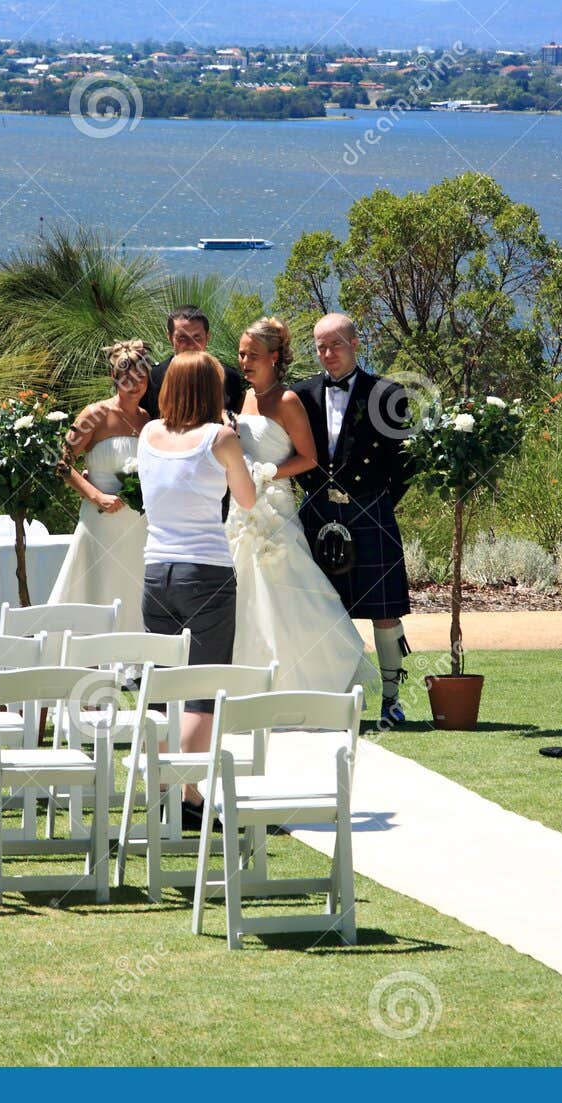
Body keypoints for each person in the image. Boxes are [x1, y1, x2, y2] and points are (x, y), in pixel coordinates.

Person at [136, 351, 257, 828]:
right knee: (203, 689)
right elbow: (245, 498)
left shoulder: (147, 434)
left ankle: (169, 790)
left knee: (164, 689)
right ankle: (188, 793)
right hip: (206, 571)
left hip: (155, 573)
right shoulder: (221, 437)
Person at [228, 317, 375, 692]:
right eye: (242, 354)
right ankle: (250, 682)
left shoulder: (287, 400)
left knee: (287, 590)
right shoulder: (242, 398)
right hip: (240, 509)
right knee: (244, 593)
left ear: (275, 357)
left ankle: (312, 676)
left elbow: (309, 459)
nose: (245, 362)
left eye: (254, 355)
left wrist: (266, 472)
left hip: (274, 506)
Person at [293, 312, 415, 726]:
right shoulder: (301, 395)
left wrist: (375, 502)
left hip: (369, 509)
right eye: (321, 346)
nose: (328, 354)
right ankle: (333, 697)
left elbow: (405, 463)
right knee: (320, 607)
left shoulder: (387, 393)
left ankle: (392, 700)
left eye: (336, 345)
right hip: (316, 510)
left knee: (384, 610)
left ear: (355, 344)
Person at [48, 340, 151, 631]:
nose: (134, 383)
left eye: (140, 376)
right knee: (98, 591)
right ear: (114, 377)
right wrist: (97, 496)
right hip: (101, 522)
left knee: (134, 593)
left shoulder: (147, 421)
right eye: (126, 377)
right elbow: (62, 463)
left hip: (138, 527)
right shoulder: (95, 414)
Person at [141, 305, 246, 419]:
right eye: (182, 338)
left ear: (207, 337)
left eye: (197, 337)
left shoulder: (229, 377)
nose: (191, 344)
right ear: (170, 337)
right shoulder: (152, 378)